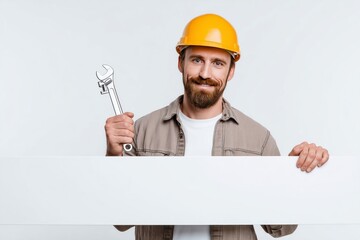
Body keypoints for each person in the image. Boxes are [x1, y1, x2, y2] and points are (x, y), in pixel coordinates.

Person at [104, 13, 329, 240]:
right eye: (197, 60)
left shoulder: (258, 139)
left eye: (218, 63)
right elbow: (121, 221)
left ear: (231, 71)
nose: (205, 73)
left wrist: (290, 174)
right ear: (181, 63)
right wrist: (113, 155)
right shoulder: (141, 131)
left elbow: (280, 227)